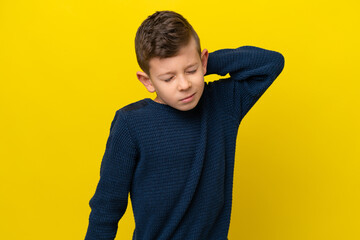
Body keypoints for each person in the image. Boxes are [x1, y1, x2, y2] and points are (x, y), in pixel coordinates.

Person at [85, 10, 285, 240]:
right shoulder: (130, 124)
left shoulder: (223, 105)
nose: (184, 84)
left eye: (190, 70)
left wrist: (205, 65)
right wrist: (194, 67)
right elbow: (106, 208)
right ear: (147, 80)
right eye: (168, 78)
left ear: (203, 62)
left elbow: (271, 63)